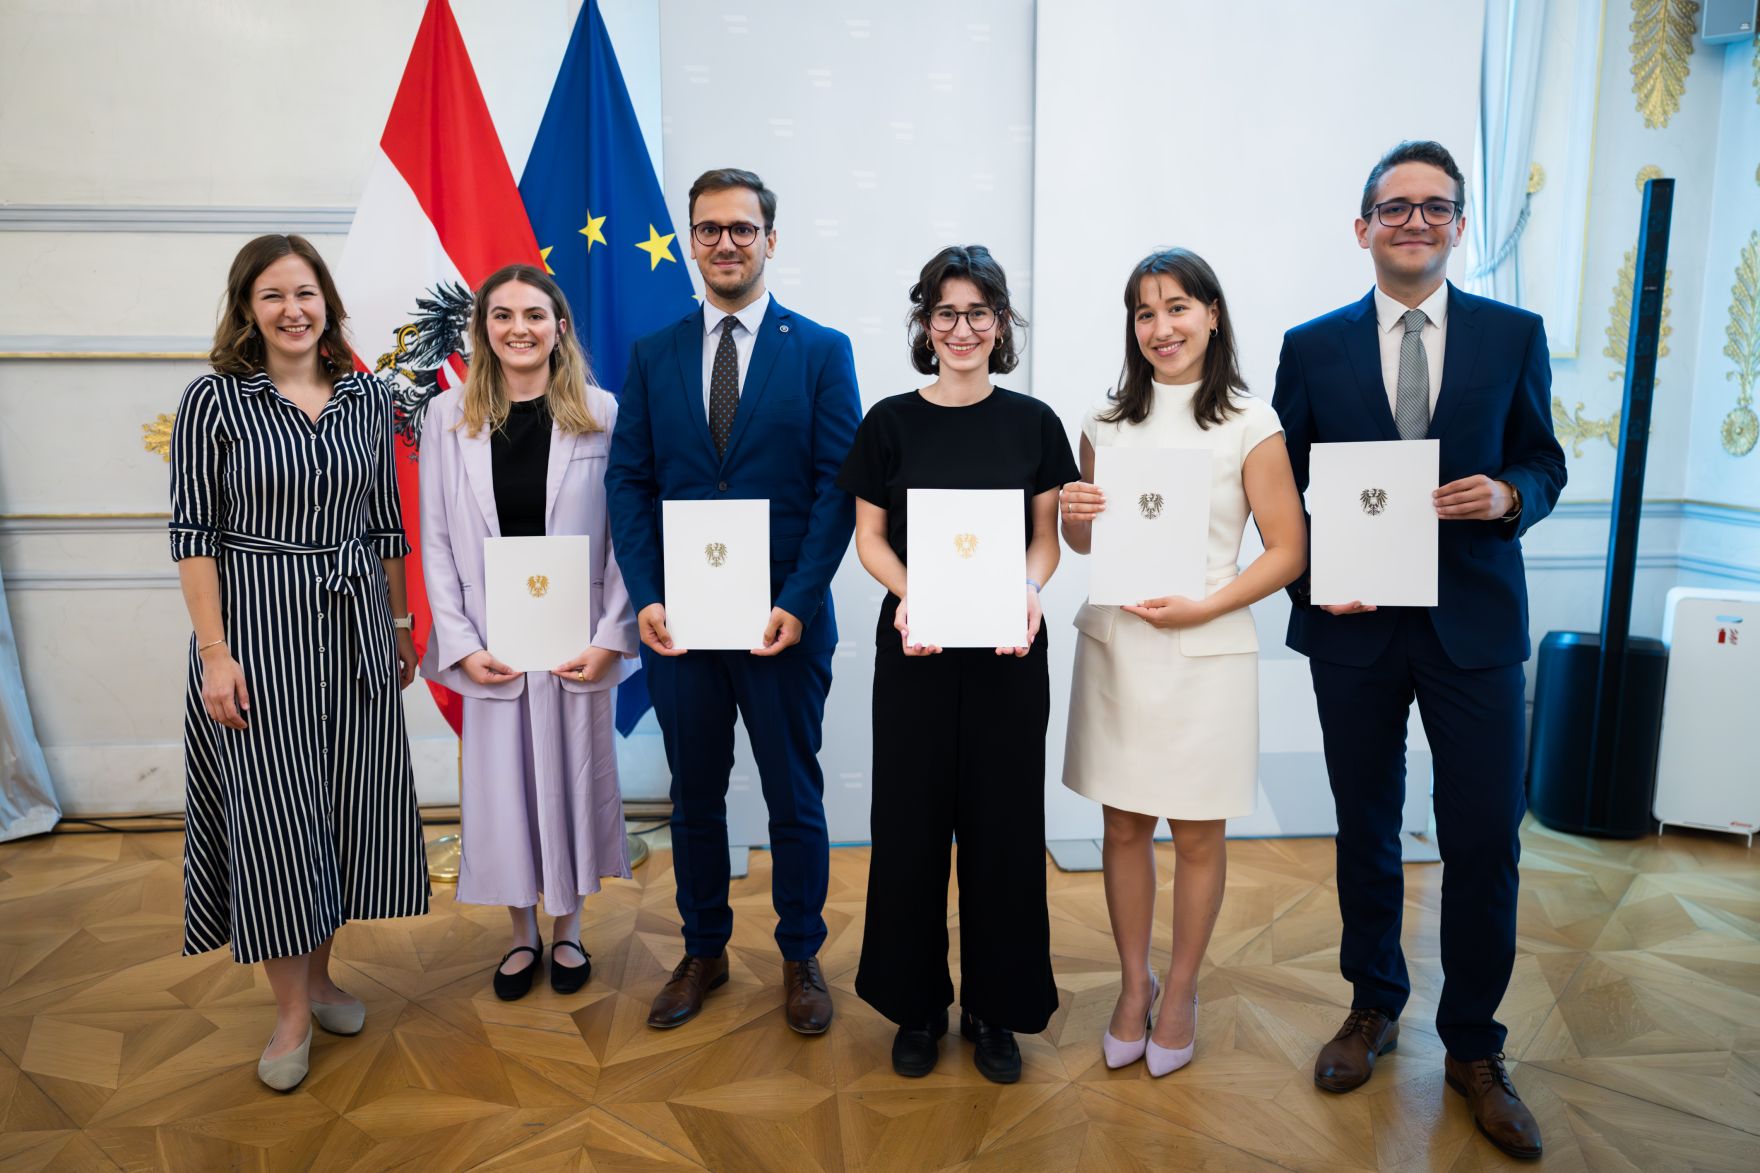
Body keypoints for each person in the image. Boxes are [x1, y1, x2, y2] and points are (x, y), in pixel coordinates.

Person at [1272, 140, 1566, 1160]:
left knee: (1483, 837)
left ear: (1457, 225)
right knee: (1364, 827)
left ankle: (1474, 1048)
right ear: (1361, 228)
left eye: (1432, 207)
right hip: (1353, 624)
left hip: (1473, 626)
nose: (1411, 222)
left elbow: (1543, 460)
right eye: (1392, 208)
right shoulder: (1309, 348)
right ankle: (1370, 1006)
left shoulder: (1511, 334)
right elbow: (1283, 485)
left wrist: (1506, 495)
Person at [169, 234, 428, 1092]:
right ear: (247, 307)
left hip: (354, 628)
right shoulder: (215, 403)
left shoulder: (365, 397)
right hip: (257, 632)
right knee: (278, 819)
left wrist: (397, 622)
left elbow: (387, 523)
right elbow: (192, 536)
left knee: (344, 808)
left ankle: (320, 978)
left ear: (328, 302)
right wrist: (214, 653)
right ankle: (287, 1012)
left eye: (306, 292)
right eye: (273, 294)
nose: (292, 309)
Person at [605, 168, 860, 1035]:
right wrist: (645, 596)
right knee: (695, 797)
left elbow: (838, 486)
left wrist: (799, 596)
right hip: (681, 630)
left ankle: (800, 955)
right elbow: (628, 483)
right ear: (690, 240)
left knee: (794, 794)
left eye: (741, 229)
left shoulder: (822, 350)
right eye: (708, 229)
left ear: (770, 240)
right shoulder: (653, 354)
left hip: (783, 623)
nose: (724, 243)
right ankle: (703, 949)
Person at [1060, 248, 1307, 1076]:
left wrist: (1208, 602)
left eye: (1176, 308)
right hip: (1121, 646)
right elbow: (1083, 539)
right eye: (1143, 312)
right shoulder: (1102, 420)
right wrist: (1076, 510)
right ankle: (1135, 984)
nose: (1160, 327)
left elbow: (1288, 549)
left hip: (1206, 647)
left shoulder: (1250, 419)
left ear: (1211, 314)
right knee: (1123, 823)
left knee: (1199, 833)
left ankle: (1184, 989)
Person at [838, 245, 1077, 1083]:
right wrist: (912, 594)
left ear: (1001, 324)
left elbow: (1044, 540)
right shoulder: (889, 422)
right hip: (917, 646)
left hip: (1011, 649)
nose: (963, 327)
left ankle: (995, 1006)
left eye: (980, 312)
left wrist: (1029, 589)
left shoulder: (1035, 423)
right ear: (925, 323)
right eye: (947, 312)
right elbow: (870, 538)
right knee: (909, 825)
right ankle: (916, 1002)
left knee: (1005, 830)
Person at [418, 264, 638, 1001]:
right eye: (503, 314)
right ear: (482, 328)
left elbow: (625, 537)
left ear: (560, 326)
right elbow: (437, 541)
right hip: (492, 642)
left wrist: (611, 635)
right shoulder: (447, 419)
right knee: (502, 788)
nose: (520, 328)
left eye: (535, 314)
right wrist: (462, 642)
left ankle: (568, 928)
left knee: (571, 780)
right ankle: (520, 936)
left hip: (574, 640)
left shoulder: (603, 414)